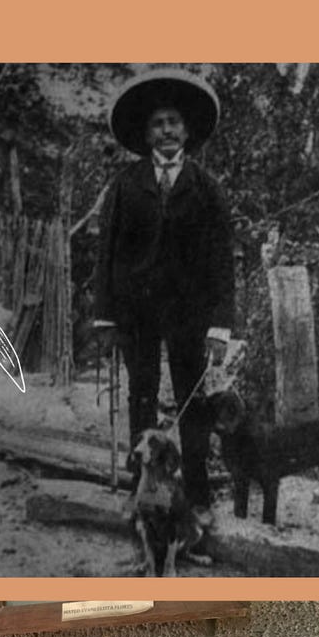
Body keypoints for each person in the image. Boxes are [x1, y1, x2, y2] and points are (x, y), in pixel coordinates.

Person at [94, 68, 234, 542]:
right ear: (146, 133)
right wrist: (106, 314)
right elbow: (107, 251)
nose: (167, 130)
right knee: (142, 396)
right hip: (136, 312)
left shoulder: (207, 187)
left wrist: (220, 324)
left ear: (188, 130)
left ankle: (197, 493)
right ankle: (142, 486)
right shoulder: (127, 184)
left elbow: (222, 260)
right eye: (158, 124)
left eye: (175, 122)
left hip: (190, 314)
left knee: (193, 404)